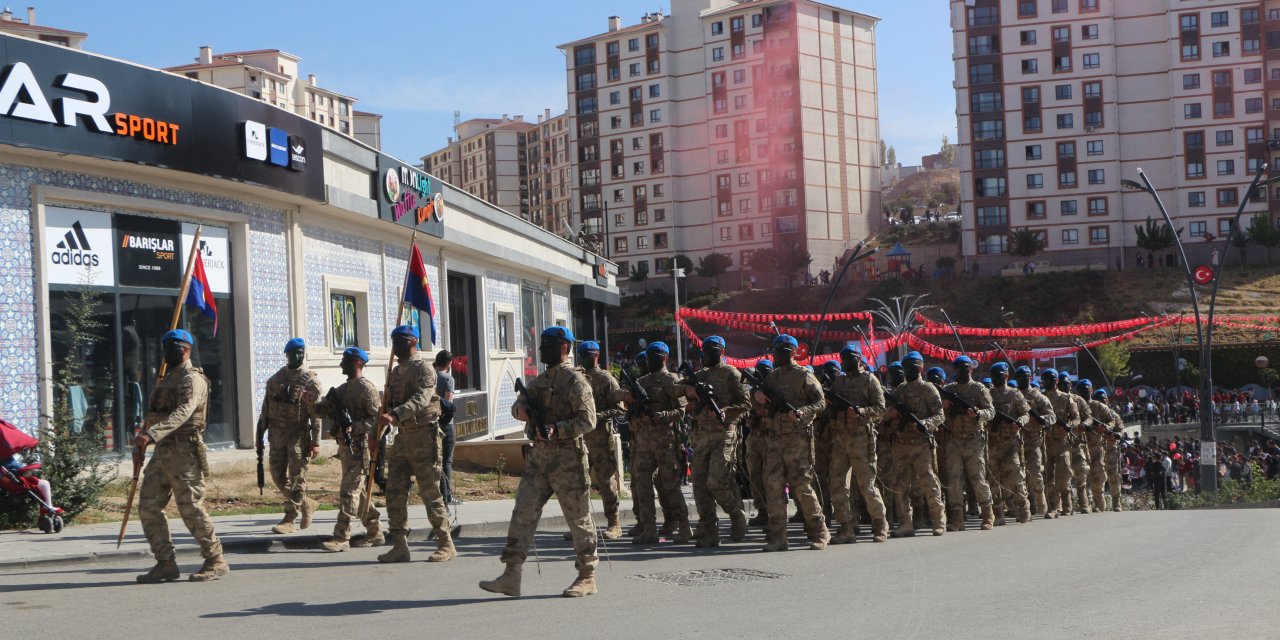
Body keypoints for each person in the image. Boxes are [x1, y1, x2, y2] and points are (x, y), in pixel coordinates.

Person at [480, 326, 598, 598]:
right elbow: (518, 405)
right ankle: (511, 574)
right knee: (523, 512)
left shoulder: (575, 382)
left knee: (578, 519)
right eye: (542, 343)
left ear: (564, 348)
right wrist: (520, 411)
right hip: (539, 459)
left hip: (568, 459)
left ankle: (587, 575)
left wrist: (558, 429)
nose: (543, 348)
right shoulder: (539, 380)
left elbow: (588, 420)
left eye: (550, 344)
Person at [135, 330, 227, 583]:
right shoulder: (166, 380)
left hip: (184, 451)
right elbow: (156, 414)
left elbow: (184, 410)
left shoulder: (192, 379)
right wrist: (143, 439)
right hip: (162, 451)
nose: (167, 351)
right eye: (165, 346)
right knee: (148, 506)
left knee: (191, 507)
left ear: (186, 349)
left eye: (173, 347)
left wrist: (152, 434)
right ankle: (165, 562)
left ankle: (215, 559)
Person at [377, 325, 453, 563]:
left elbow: (421, 398)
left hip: (424, 435)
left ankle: (445, 543)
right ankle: (399, 545)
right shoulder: (394, 373)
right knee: (395, 491)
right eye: (393, 341)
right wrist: (377, 429)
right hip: (402, 437)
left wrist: (396, 414)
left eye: (400, 341)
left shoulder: (424, 369)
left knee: (430, 491)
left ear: (412, 343)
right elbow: (386, 406)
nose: (395, 346)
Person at [755, 335, 829, 551]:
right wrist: (757, 395)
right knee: (773, 487)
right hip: (775, 439)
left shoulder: (804, 374)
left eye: (785, 350)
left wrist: (802, 412)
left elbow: (821, 402)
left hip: (798, 439)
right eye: (777, 349)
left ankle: (819, 531)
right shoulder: (773, 377)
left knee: (802, 487)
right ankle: (778, 536)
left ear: (794, 352)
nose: (779, 353)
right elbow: (756, 397)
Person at [307, 347, 383, 552]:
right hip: (345, 448)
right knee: (356, 492)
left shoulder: (367, 389)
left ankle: (341, 537)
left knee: (349, 492)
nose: (342, 365)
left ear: (358, 363)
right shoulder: (341, 389)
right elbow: (323, 410)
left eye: (346, 361)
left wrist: (355, 427)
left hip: (359, 447)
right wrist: (312, 401)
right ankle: (375, 531)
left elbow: (377, 420)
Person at [684, 336, 751, 547]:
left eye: (712, 350)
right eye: (704, 350)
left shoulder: (731, 373)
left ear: (721, 352)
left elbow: (746, 403)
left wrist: (724, 411)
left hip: (724, 434)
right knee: (700, 485)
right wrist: (689, 392)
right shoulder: (698, 376)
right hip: (701, 436)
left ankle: (736, 514)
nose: (707, 354)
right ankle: (709, 530)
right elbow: (674, 390)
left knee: (716, 481)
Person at [623, 342, 690, 544]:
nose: (651, 359)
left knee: (670, 484)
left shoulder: (673, 381)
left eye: (655, 356)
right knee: (641, 484)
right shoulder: (641, 382)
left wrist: (662, 415)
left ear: (664, 358)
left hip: (665, 440)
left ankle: (684, 526)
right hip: (643, 441)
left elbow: (681, 411)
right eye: (649, 355)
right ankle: (649, 527)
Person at [257, 338, 322, 535]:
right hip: (276, 435)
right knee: (277, 476)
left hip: (298, 436)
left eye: (301, 352)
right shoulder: (275, 379)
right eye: (294, 352)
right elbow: (265, 410)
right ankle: (306, 503)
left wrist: (316, 442)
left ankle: (290, 517)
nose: (297, 356)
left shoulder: (310, 381)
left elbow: (316, 414)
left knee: (297, 478)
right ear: (287, 354)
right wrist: (259, 434)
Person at [826, 345, 889, 543]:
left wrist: (862, 411)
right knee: (837, 484)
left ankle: (880, 523)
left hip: (861, 438)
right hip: (840, 439)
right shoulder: (839, 382)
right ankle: (846, 526)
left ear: (859, 359)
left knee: (866, 485)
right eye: (842, 358)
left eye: (849, 357)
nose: (845, 361)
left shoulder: (869, 380)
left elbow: (880, 408)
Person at [886, 352, 947, 537]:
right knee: (900, 484)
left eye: (913, 367)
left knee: (928, 482)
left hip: (921, 443)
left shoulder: (929, 389)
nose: (910, 371)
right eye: (907, 368)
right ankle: (906, 523)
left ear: (920, 368)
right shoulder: (899, 391)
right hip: (901, 444)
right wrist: (891, 414)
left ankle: (938, 521)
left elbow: (940, 415)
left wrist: (924, 424)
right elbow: (883, 411)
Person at [574, 341, 626, 540]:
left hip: (601, 439)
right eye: (581, 354)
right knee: (579, 483)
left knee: (605, 482)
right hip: (580, 439)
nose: (582, 358)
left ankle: (614, 524)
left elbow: (620, 408)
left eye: (586, 355)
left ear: (595, 356)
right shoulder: (577, 378)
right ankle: (582, 526)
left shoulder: (606, 379)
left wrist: (597, 415)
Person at [941, 356, 997, 531]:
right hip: (954, 439)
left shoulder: (979, 389)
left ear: (970, 370)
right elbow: (936, 409)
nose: (959, 372)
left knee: (977, 478)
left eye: (963, 368)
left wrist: (978, 414)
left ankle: (988, 514)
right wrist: (943, 405)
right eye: (956, 369)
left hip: (974, 440)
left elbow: (991, 411)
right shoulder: (949, 389)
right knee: (954, 480)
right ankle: (958, 518)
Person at [986, 363, 1032, 525]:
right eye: (993, 375)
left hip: (1010, 443)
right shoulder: (988, 393)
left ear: (1006, 376)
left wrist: (1020, 422)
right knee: (993, 480)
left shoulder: (1015, 394)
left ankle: (1023, 509)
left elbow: (1026, 414)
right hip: (992, 443)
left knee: (1015, 477)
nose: (996, 378)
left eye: (999, 374)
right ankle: (998, 513)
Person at [1015, 366, 1055, 517]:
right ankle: (1026, 508)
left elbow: (1051, 417)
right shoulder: (1014, 395)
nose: (1024, 379)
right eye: (1020, 377)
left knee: (1035, 474)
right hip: (1017, 441)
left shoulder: (1039, 397)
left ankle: (1043, 505)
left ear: (1031, 378)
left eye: (1026, 376)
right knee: (1019, 476)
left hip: (1034, 441)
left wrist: (1040, 418)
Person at [1040, 369, 1077, 518]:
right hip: (1046, 442)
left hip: (1062, 442)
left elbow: (1076, 418)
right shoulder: (1040, 398)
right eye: (1045, 379)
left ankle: (1067, 506)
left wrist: (1069, 425)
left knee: (1063, 475)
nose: (1047, 382)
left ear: (1056, 380)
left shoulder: (1066, 398)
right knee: (1048, 476)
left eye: (1050, 379)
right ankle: (1053, 507)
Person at [744, 359, 773, 528]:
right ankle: (762, 512)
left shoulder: (774, 390)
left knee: (771, 479)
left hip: (771, 438)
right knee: (755, 477)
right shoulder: (753, 391)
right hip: (755, 437)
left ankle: (774, 514)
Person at [433, 350, 459, 506]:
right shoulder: (448, 379)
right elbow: (448, 404)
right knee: (446, 462)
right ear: (449, 364)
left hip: (430, 422)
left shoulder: (428, 375)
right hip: (445, 425)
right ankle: (447, 496)